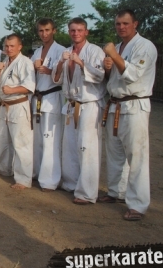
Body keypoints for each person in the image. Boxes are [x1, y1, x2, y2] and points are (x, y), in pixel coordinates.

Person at [100, 10, 157, 221]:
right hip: (115, 104)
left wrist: (113, 56)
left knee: (136, 156)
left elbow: (133, 75)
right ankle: (116, 191)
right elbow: (113, 79)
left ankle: (138, 204)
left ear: (135, 24)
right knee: (115, 152)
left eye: (125, 23)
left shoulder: (145, 46)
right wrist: (108, 67)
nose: (121, 27)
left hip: (135, 105)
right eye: (118, 24)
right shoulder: (119, 47)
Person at [53, 17, 106, 205]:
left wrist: (81, 63)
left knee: (87, 147)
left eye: (79, 30)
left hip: (89, 103)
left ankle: (87, 192)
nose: (76, 33)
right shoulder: (67, 52)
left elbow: (100, 75)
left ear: (86, 32)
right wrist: (61, 63)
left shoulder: (94, 51)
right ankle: (71, 183)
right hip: (71, 104)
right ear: (69, 32)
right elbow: (57, 79)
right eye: (73, 30)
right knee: (70, 146)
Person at [0, 34, 35, 189]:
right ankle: (4, 169)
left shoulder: (25, 62)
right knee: (3, 140)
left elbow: (30, 86)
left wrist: (12, 90)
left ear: (20, 47)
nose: (9, 49)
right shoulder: (6, 61)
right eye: (6, 46)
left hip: (18, 105)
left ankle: (23, 179)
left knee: (21, 144)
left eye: (12, 46)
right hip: (5, 106)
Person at [30, 18, 65, 192]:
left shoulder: (61, 51)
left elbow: (64, 77)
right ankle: (37, 172)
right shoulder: (37, 52)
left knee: (50, 140)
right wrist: (33, 67)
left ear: (54, 31)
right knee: (37, 140)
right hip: (37, 98)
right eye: (41, 31)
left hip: (52, 98)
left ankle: (50, 180)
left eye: (47, 30)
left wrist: (50, 71)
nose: (44, 34)